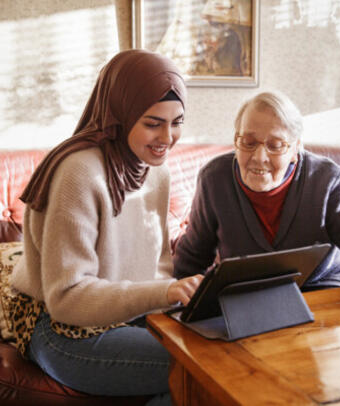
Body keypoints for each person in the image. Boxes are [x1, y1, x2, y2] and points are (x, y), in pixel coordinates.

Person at [10, 49, 203, 405]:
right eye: (152, 122)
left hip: (126, 316)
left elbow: (158, 266)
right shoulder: (79, 173)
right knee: (201, 369)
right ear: (120, 113)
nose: (168, 137)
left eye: (177, 122)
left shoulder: (155, 171)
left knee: (224, 348)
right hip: (61, 330)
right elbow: (67, 299)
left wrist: (183, 303)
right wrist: (165, 293)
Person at [174, 91, 340, 296]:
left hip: (323, 290)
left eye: (275, 145)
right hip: (249, 296)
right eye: (248, 142)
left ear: (295, 149)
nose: (259, 157)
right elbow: (191, 260)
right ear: (236, 141)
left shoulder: (325, 181)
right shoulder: (215, 179)